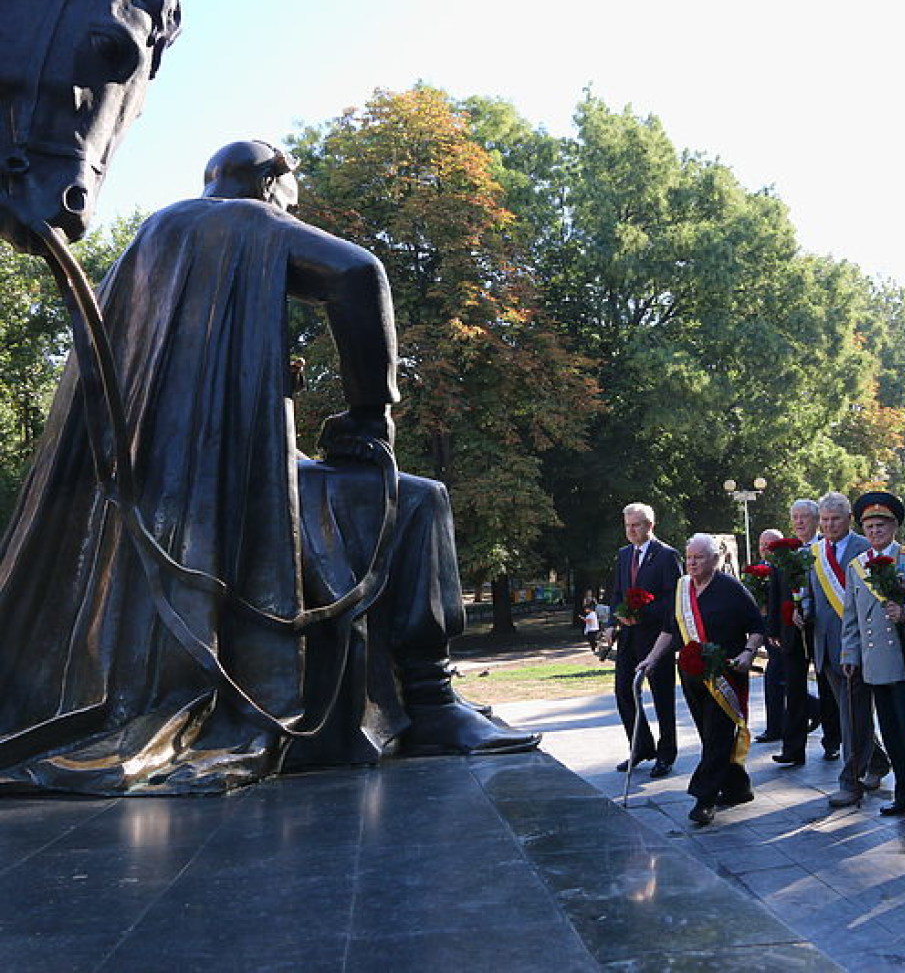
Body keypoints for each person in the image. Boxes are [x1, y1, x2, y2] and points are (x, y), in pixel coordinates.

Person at [0, 141, 535, 794]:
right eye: (292, 198)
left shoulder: (144, 248)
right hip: (239, 495)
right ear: (270, 180)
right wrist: (371, 417)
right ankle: (431, 699)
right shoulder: (247, 220)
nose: (292, 211)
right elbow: (358, 274)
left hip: (159, 499)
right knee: (420, 498)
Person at [637, 533, 766, 825]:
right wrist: (652, 658)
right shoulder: (682, 589)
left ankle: (704, 798)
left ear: (715, 559)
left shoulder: (730, 588)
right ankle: (737, 787)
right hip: (692, 675)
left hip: (725, 675)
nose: (692, 563)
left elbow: (757, 625)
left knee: (719, 734)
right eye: (690, 557)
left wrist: (748, 652)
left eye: (699, 557)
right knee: (709, 735)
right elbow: (670, 632)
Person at [840, 491, 905, 822]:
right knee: (893, 735)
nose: (874, 531)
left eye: (881, 524)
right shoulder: (857, 567)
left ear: (894, 525)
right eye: (868, 526)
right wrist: (850, 654)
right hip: (876, 665)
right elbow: (852, 617)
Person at [807, 492, 891, 808]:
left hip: (857, 648)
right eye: (824, 520)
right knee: (850, 715)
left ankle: (850, 782)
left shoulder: (865, 548)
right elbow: (814, 595)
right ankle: (878, 761)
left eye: (835, 520)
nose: (829, 526)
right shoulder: (815, 552)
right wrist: (803, 610)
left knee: (853, 715)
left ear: (848, 520)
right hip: (825, 647)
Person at [606, 502, 682, 778]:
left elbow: (673, 599)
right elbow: (616, 593)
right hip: (628, 637)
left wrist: (643, 613)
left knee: (662, 697)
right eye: (627, 525)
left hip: (657, 638)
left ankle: (666, 753)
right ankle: (640, 747)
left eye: (636, 525)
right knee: (623, 692)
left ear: (650, 525)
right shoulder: (624, 554)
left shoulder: (667, 556)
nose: (631, 530)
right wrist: (619, 616)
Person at [769, 499, 829, 767]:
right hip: (792, 631)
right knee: (793, 689)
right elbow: (775, 593)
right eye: (795, 517)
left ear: (817, 520)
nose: (799, 522)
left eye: (805, 516)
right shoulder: (785, 553)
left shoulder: (826, 549)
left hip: (822, 630)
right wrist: (775, 626)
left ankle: (833, 741)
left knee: (829, 688)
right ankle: (793, 748)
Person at [752, 528, 786, 744]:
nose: (765, 548)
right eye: (762, 544)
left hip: (783, 630)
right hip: (764, 626)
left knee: (776, 676)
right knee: (777, 677)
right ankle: (775, 726)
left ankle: (775, 727)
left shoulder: (786, 568)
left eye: (770, 544)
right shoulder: (759, 569)